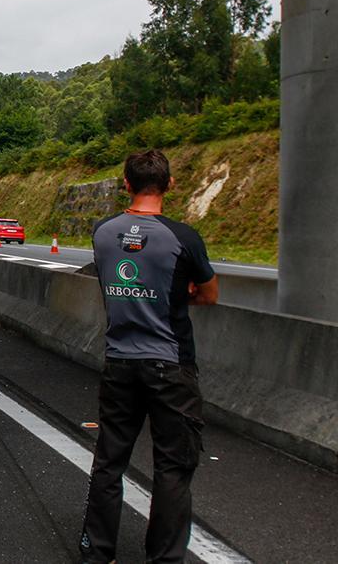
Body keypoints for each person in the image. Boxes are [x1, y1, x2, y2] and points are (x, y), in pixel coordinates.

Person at [79, 150, 219, 564]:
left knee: (109, 461)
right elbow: (209, 293)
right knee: (173, 467)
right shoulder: (183, 237)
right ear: (170, 185)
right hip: (170, 367)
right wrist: (177, 293)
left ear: (126, 183)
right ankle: (165, 558)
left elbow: (109, 276)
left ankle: (97, 551)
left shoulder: (104, 232)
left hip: (119, 361)